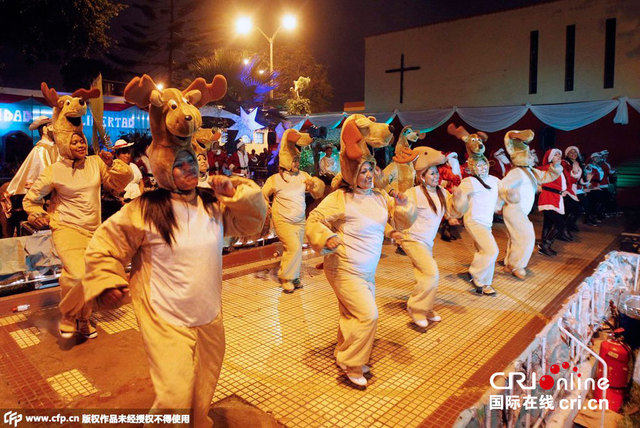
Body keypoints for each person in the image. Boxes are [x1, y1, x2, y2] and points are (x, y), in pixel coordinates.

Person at [61, 148, 267, 425]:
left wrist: (236, 194)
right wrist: (108, 281)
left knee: (203, 383)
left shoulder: (211, 204)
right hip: (164, 316)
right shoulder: (144, 209)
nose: (188, 168)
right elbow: (105, 247)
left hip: (208, 313)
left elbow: (251, 223)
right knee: (174, 394)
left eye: (191, 161)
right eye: (178, 165)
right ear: (162, 171)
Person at [306, 151, 415, 387]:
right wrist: (326, 238)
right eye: (361, 171)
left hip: (367, 271)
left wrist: (394, 227)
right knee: (368, 315)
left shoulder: (378, 196)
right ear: (351, 174)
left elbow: (386, 220)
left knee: (350, 314)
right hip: (343, 268)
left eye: (370, 170)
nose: (367, 175)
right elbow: (315, 219)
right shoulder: (341, 197)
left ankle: (342, 352)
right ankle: (352, 363)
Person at [23, 132, 132, 339]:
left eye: (82, 140)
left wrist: (111, 165)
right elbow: (31, 199)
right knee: (79, 274)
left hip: (94, 230)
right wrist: (36, 213)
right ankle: (71, 315)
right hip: (66, 228)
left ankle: (83, 319)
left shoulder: (95, 163)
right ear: (64, 145)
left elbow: (118, 185)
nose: (80, 145)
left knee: (77, 276)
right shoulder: (54, 171)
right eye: (74, 142)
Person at [398, 147, 463, 328]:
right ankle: (417, 309)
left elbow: (452, 211)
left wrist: (458, 198)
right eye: (432, 174)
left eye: (437, 173)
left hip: (427, 242)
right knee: (431, 273)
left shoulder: (442, 192)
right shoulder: (413, 193)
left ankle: (426, 307)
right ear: (422, 176)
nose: (436, 176)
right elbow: (402, 214)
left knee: (425, 276)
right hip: (412, 240)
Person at [262, 130, 325, 293]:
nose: (297, 164)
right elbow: (262, 194)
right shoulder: (275, 179)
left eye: (298, 161)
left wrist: (315, 185)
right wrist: (265, 205)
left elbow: (317, 192)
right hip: (282, 220)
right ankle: (286, 277)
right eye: (294, 161)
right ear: (285, 161)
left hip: (299, 220)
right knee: (294, 247)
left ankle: (294, 276)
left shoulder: (303, 176)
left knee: (296, 248)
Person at [501, 130, 560, 279]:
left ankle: (510, 264)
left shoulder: (530, 171)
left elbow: (547, 176)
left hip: (521, 210)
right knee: (527, 237)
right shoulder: (517, 172)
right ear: (522, 157)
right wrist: (508, 196)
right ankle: (517, 266)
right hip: (514, 209)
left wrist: (555, 166)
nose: (533, 157)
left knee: (515, 238)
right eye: (529, 155)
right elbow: (501, 187)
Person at [455, 157, 505, 295]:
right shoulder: (469, 182)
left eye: (484, 164)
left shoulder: (494, 180)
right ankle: (475, 273)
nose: (482, 168)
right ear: (472, 168)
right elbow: (459, 200)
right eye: (478, 165)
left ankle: (484, 283)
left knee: (483, 251)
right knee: (492, 250)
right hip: (474, 221)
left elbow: (506, 191)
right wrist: (457, 199)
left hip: (487, 222)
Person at [6, 116, 58, 236]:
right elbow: (47, 174)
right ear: (45, 130)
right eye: (51, 126)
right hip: (40, 193)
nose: (55, 129)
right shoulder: (40, 149)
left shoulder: (54, 148)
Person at [537, 149, 567, 256]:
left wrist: (562, 191)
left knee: (548, 224)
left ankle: (543, 247)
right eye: (555, 155)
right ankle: (545, 245)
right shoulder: (549, 168)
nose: (559, 156)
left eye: (560, 154)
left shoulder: (557, 168)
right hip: (549, 198)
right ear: (550, 158)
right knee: (560, 224)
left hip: (554, 197)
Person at [561, 146, 583, 239]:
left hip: (573, 190)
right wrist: (574, 172)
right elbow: (569, 178)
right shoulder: (564, 163)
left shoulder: (577, 163)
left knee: (574, 210)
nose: (573, 154)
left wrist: (586, 182)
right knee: (567, 212)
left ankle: (565, 229)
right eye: (571, 152)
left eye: (575, 153)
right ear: (567, 154)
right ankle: (563, 231)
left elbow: (578, 179)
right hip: (566, 190)